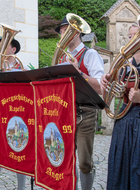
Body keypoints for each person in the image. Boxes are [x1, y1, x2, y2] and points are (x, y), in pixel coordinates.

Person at [55, 15, 104, 190]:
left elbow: (100, 87)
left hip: (86, 112)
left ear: (76, 33)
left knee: (84, 161)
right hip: (64, 113)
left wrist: (78, 72)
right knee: (66, 158)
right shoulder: (62, 58)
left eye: (64, 31)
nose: (62, 36)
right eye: (61, 33)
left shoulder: (90, 54)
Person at [101, 23, 140, 190]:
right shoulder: (123, 67)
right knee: (120, 170)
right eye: (130, 37)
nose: (131, 40)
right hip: (123, 124)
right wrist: (106, 86)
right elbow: (107, 102)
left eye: (136, 36)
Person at [0, 38, 26, 190]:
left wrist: (25, 76)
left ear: (14, 50)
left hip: (16, 112)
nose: (0, 48)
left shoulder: (21, 66)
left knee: (19, 149)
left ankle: (21, 187)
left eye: (4, 45)